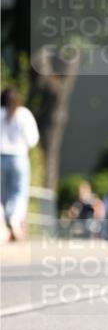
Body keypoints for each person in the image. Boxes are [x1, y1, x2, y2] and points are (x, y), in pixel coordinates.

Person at [0, 87, 40, 241]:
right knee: (19, 193)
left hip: (1, 157)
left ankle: (5, 224)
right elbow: (32, 140)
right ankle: (14, 218)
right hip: (18, 157)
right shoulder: (23, 114)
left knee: (3, 196)